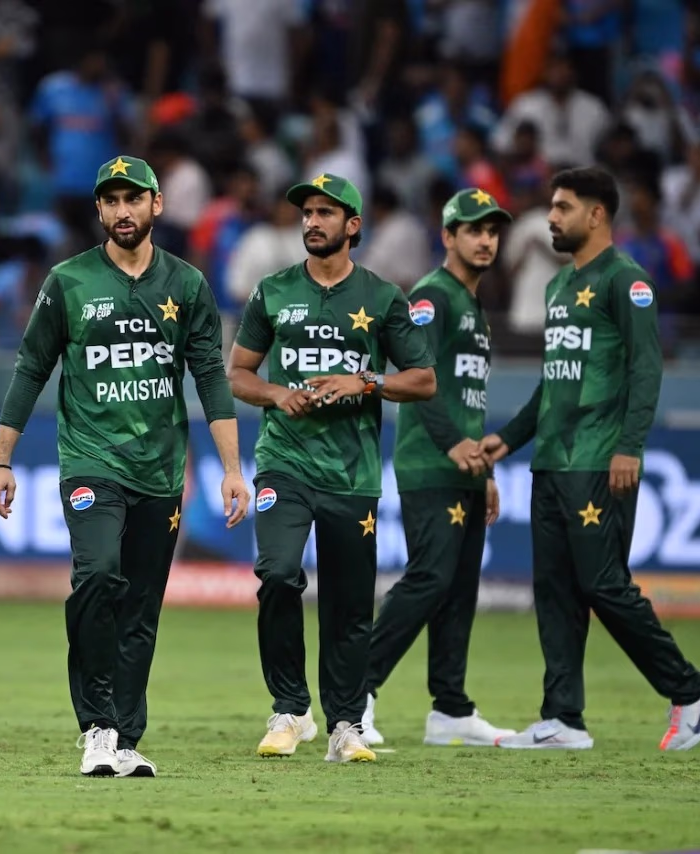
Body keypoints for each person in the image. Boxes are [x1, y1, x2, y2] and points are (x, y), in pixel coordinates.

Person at [0, 155, 251, 778]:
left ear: (157, 204)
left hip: (162, 470)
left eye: (134, 199)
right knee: (98, 576)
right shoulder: (68, 281)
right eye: (111, 201)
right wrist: (0, 460)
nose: (122, 211)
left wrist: (232, 469)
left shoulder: (187, 285)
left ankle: (126, 739)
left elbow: (211, 378)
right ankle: (97, 727)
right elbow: (30, 369)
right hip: (91, 462)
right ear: (99, 209)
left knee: (141, 607)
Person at [482, 167, 700, 751]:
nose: (551, 217)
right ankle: (562, 719)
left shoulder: (627, 281)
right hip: (551, 462)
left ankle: (690, 688)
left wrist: (629, 446)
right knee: (555, 591)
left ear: (596, 215)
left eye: (563, 207)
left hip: (598, 459)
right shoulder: (558, 288)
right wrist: (508, 439)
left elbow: (646, 367)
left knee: (603, 583)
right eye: (552, 206)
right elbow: (554, 382)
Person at [226, 173, 437, 763]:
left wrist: (364, 381)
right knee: (277, 575)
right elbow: (237, 373)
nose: (312, 221)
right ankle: (290, 710)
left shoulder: (383, 297)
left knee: (348, 604)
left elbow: (423, 379)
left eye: (325, 212)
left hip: (352, 471)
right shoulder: (273, 291)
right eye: (307, 212)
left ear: (353, 225)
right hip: (284, 462)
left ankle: (345, 723)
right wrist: (276, 394)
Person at [360, 189, 518, 747]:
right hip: (430, 462)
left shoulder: (474, 307)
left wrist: (485, 471)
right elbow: (417, 378)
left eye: (492, 231)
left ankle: (450, 708)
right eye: (473, 230)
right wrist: (452, 445)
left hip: (465, 467)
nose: (485, 240)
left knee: (459, 587)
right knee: (430, 578)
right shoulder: (433, 296)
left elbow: (467, 395)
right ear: (448, 237)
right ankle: (357, 691)